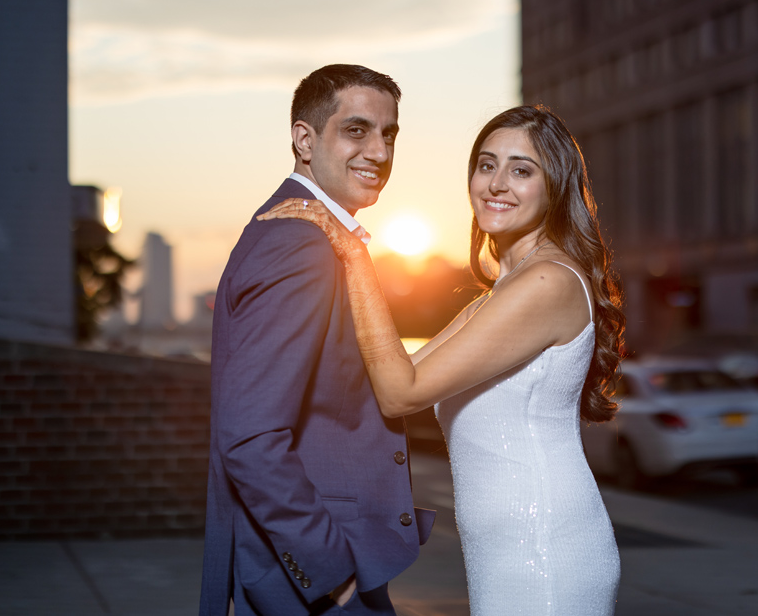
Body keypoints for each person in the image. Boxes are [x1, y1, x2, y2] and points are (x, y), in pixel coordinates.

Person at [260, 105, 625, 615]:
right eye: (486, 164)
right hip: (506, 552)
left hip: (543, 551)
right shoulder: (497, 296)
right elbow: (391, 378)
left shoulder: (548, 283)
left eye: (522, 170)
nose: (496, 183)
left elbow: (400, 393)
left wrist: (352, 251)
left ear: (555, 187)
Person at [199, 64, 434, 616]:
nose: (378, 151)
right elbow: (250, 438)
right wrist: (332, 576)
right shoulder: (299, 244)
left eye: (389, 134)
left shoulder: (305, 234)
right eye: (357, 130)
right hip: (305, 577)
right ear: (305, 139)